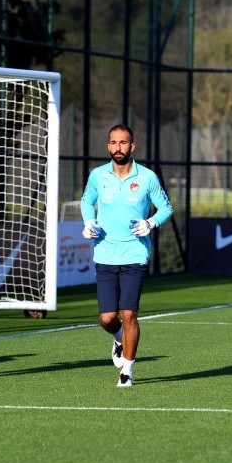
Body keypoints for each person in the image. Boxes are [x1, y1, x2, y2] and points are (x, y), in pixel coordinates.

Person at [80, 124, 173, 387]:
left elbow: (166, 208)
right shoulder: (98, 175)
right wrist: (88, 222)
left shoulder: (147, 177)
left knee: (129, 313)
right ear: (108, 146)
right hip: (105, 253)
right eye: (113, 143)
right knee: (107, 318)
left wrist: (151, 223)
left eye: (123, 143)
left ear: (132, 147)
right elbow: (87, 201)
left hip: (135, 253)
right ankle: (119, 337)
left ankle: (127, 371)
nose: (117, 147)